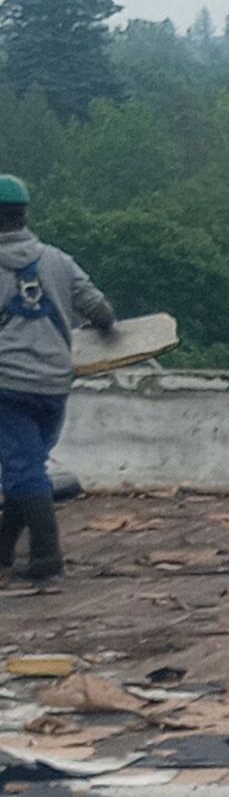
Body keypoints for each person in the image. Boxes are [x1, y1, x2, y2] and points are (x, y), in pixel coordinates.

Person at [0, 174, 115, 584]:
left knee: (23, 471)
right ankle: (3, 553)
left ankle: (47, 558)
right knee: (26, 465)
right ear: (24, 214)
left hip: (7, 388)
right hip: (53, 387)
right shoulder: (57, 260)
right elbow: (100, 312)